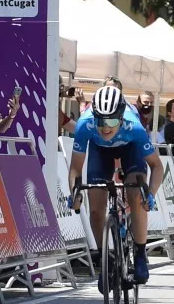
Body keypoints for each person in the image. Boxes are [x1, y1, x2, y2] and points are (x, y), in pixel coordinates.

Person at [68, 85, 165, 287]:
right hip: (100, 151)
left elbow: (157, 166)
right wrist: (75, 194)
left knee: (136, 195)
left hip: (130, 149)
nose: (105, 127)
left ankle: (139, 254)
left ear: (121, 117)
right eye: (100, 120)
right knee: (95, 209)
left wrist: (151, 195)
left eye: (111, 120)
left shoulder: (135, 128)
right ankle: (107, 262)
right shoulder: (85, 125)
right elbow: (75, 169)